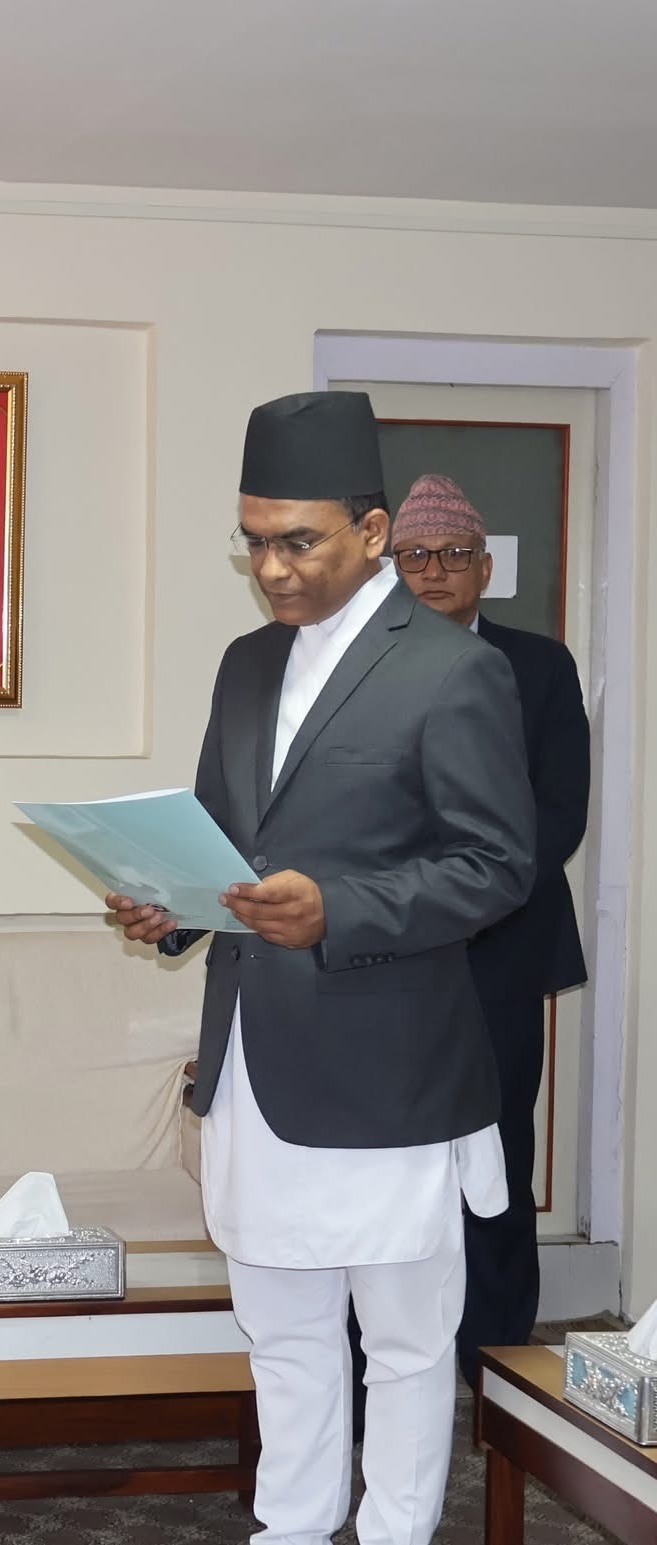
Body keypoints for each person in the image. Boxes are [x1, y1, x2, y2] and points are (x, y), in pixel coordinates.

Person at [107, 392, 533, 1545]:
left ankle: (392, 1534)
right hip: (253, 1062)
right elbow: (219, 836)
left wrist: (338, 909)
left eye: (296, 541)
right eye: (252, 542)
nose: (270, 569)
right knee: (281, 1334)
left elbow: (496, 867)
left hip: (389, 1070)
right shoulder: (246, 665)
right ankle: (288, 1529)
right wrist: (167, 906)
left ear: (372, 530)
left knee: (402, 1343)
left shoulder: (448, 669)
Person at [388, 472, 590, 1380]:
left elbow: (560, 812)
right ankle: (394, 1356)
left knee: (498, 1151)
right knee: (392, 1162)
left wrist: (467, 902)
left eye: (453, 554)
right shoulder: (364, 667)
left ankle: (498, 1363)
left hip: (500, 947)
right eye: (414, 555)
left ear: (485, 569)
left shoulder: (539, 667)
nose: (433, 570)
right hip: (389, 953)